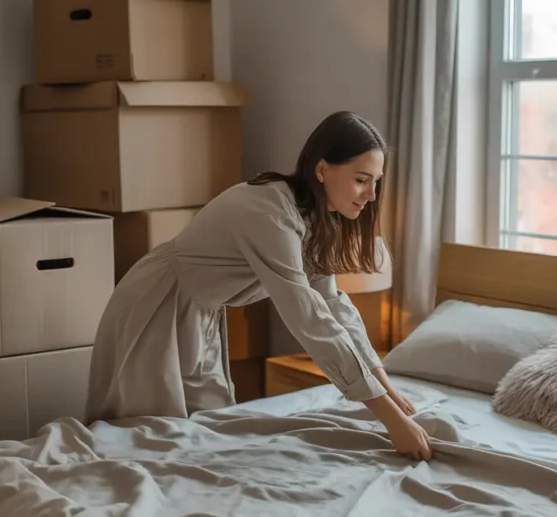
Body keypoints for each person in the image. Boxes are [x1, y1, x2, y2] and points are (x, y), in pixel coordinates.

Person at [86, 111, 432, 460]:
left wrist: (385, 387)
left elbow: (331, 304)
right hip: (156, 304)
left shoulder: (315, 219)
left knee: (200, 433)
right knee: (142, 438)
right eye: (361, 179)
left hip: (200, 310)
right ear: (323, 169)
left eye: (376, 181)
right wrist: (389, 418)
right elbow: (309, 317)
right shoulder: (271, 213)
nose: (371, 195)